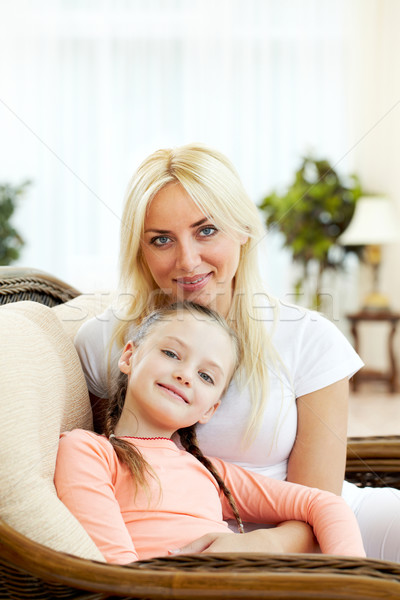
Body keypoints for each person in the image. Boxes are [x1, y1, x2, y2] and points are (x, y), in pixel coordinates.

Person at [74, 143, 400, 562]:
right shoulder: (104, 341)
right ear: (140, 249)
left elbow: (319, 501)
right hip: (185, 552)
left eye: (207, 230)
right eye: (161, 240)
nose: (188, 261)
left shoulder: (310, 338)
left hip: (321, 535)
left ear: (243, 230)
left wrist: (252, 547)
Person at [55, 302, 366, 564]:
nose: (185, 375)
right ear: (128, 356)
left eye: (205, 375)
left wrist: (351, 584)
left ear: (209, 410)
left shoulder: (209, 471)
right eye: (171, 353)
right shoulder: (89, 451)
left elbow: (326, 505)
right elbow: (116, 572)